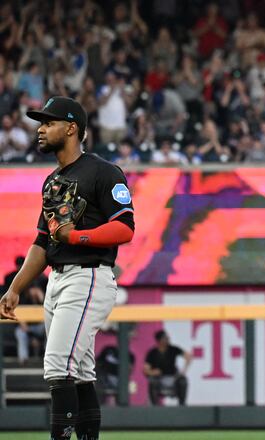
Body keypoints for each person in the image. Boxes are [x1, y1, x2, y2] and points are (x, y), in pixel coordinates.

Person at [0, 96, 135, 440]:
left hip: (88, 276)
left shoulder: (103, 172)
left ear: (71, 128)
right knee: (82, 372)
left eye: (48, 123)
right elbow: (43, 242)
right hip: (57, 281)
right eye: (40, 123)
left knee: (58, 366)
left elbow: (125, 228)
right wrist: (15, 287)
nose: (40, 130)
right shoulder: (52, 181)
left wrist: (77, 237)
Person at [143, 330, 191, 406]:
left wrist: (184, 370)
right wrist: (152, 372)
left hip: (173, 378)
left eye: (168, 338)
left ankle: (182, 405)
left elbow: (188, 356)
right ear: (159, 340)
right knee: (152, 383)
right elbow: (145, 370)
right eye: (165, 338)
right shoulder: (152, 353)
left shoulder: (173, 349)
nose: (168, 340)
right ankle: (155, 407)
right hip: (159, 379)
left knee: (183, 381)